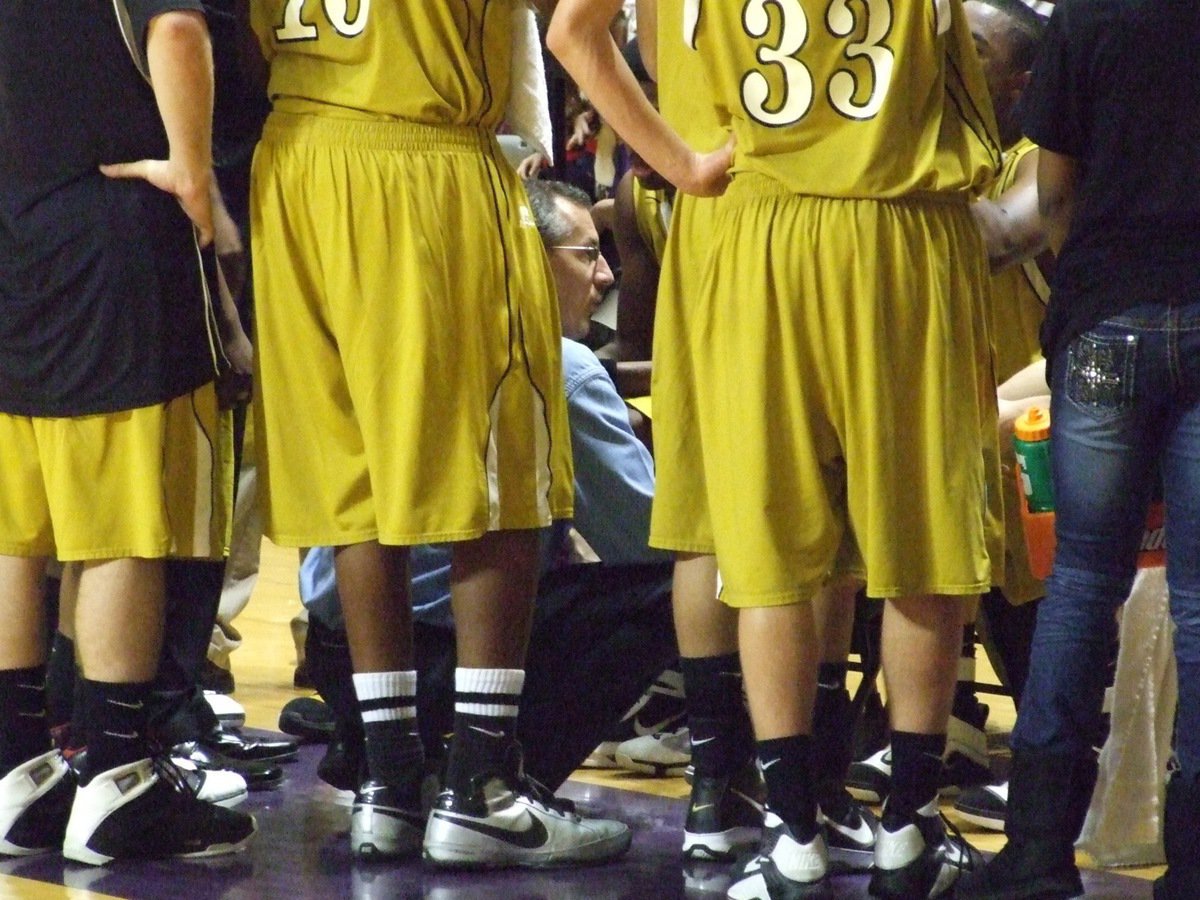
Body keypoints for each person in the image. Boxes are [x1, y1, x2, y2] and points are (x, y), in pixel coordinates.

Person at [549, 2, 1003, 897]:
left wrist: (676, 162)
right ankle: (906, 829)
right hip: (899, 235)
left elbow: (573, 32)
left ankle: (785, 829)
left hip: (747, 234)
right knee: (923, 547)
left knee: (759, 542)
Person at [247, 0, 630, 868]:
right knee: (502, 477)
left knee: (359, 486)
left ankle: (388, 783)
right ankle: (482, 786)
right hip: (421, 159)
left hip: (296, 159)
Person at [295, 178, 680, 799]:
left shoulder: (398, 337)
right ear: (528, 256)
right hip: (437, 657)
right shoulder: (558, 367)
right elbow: (656, 538)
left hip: (342, 655)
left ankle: (387, 761)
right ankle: (498, 781)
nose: (605, 276)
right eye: (587, 254)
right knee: (677, 584)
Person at [0, 0, 256, 863]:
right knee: (125, 523)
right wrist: (195, 177)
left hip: (16, 225)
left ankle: (18, 767)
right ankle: (117, 778)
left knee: (20, 531)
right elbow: (177, 30)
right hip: (110, 228)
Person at [958, 2, 1200, 898]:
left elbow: (1052, 195)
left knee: (1082, 584)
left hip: (1106, 320)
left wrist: (1084, 291)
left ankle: (1036, 849)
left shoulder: (1088, 17)